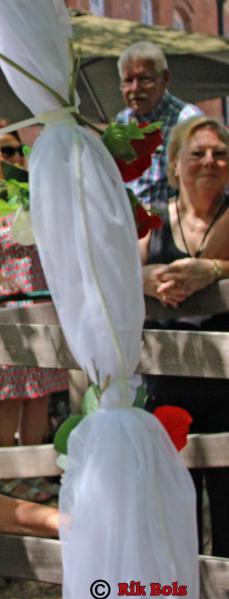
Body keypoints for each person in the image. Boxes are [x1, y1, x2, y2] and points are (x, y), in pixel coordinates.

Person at [0, 121, 68, 503]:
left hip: (40, 308)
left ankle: (33, 475)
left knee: (41, 393)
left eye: (20, 150)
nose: (18, 157)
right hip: (6, 314)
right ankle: (4, 478)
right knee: (9, 396)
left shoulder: (27, 196)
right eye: (7, 151)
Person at [139, 116, 229, 557]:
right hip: (167, 386)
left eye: (219, 153)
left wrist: (211, 269)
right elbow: (114, 272)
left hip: (226, 386)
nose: (209, 161)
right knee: (175, 510)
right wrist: (146, 278)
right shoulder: (153, 223)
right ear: (175, 165)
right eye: (198, 153)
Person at [116, 41, 203, 212]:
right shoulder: (122, 121)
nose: (135, 88)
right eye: (128, 81)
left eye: (144, 79)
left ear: (165, 79)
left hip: (173, 227)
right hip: (132, 227)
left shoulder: (187, 121)